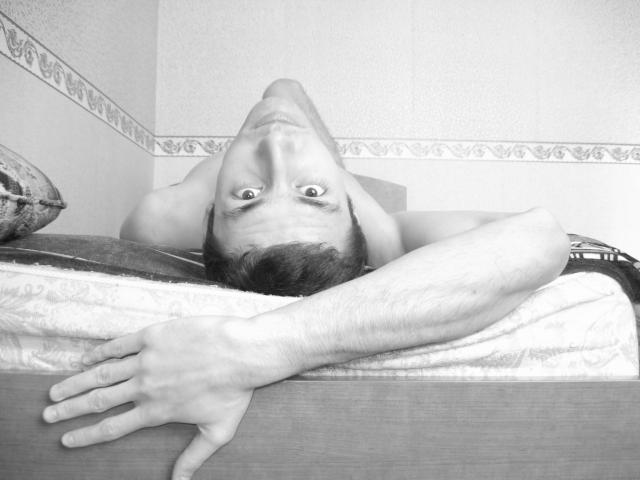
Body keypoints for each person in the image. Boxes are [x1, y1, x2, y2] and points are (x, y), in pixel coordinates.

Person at [42, 79, 570, 480]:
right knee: (286, 91)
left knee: (281, 90)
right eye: (314, 194)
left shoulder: (160, 218)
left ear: (208, 218)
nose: (275, 145)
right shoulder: (385, 234)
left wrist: (259, 346)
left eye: (246, 197)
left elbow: (539, 238)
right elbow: (543, 235)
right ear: (355, 211)